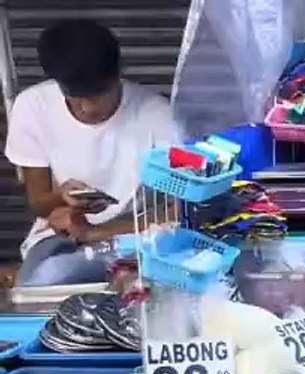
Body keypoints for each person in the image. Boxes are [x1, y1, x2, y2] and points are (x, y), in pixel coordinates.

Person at [4, 19, 180, 286]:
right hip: (61, 236)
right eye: (73, 95)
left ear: (118, 74)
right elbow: (38, 202)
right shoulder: (32, 106)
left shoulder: (158, 116)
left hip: (133, 236)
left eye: (97, 95)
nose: (86, 108)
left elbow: (179, 212)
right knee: (39, 282)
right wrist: (60, 198)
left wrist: (96, 232)